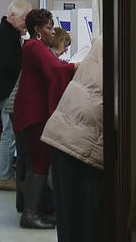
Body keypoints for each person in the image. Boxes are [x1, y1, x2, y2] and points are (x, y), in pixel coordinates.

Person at [13, 8, 78, 229]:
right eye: (49, 28)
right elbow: (55, 70)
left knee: (37, 161)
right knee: (41, 161)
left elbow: (56, 68)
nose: (53, 32)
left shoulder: (36, 47)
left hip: (33, 110)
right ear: (38, 30)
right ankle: (30, 215)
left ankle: (34, 210)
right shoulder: (34, 46)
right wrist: (78, 67)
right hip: (34, 112)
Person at [41, 36, 104, 242]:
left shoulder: (112, 35)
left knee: (71, 225)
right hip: (83, 141)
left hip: (68, 132)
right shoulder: (130, 36)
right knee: (87, 227)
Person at [0, 0, 32, 190]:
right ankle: (5, 176)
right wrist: (26, 59)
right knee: (8, 134)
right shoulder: (4, 34)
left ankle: (0, 174)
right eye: (24, 20)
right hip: (5, 90)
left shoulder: (4, 32)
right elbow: (8, 64)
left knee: (6, 132)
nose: (26, 25)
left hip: (0, 89)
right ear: (13, 16)